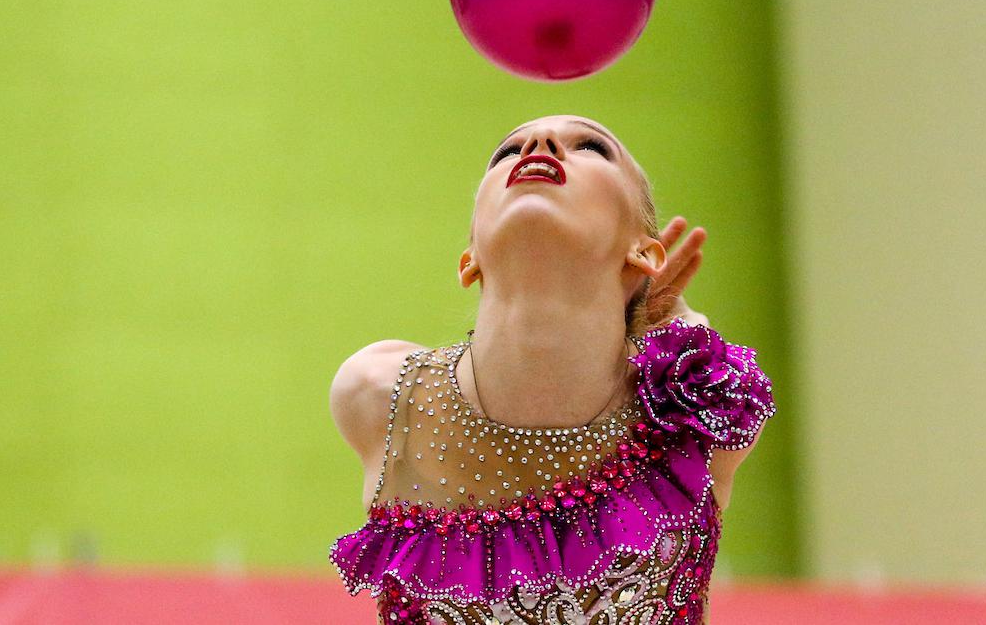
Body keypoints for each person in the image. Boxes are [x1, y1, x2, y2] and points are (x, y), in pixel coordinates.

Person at [328, 115, 776, 624]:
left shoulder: (695, 409)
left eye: (590, 146)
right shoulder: (381, 397)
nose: (537, 146)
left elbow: (694, 349)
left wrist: (669, 318)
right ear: (469, 258)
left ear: (646, 252)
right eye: (506, 151)